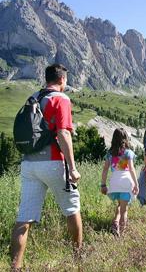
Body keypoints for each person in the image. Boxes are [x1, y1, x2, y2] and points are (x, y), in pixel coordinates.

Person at [10, 64, 82, 271]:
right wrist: (73, 167)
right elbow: (63, 134)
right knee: (71, 209)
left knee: (24, 217)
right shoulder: (61, 98)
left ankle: (15, 267)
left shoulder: (33, 97)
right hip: (53, 162)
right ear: (62, 80)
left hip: (29, 163)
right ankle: (78, 259)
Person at [100, 128, 139, 236]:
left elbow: (105, 169)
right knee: (124, 211)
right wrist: (136, 184)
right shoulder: (128, 153)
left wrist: (103, 184)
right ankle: (121, 236)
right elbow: (131, 169)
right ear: (125, 139)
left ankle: (115, 224)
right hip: (126, 182)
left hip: (114, 182)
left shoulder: (110, 154)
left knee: (120, 204)